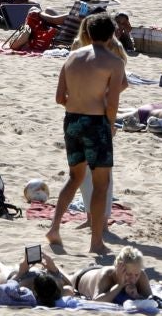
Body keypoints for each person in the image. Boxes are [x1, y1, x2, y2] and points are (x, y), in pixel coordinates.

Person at [47, 13, 126, 255]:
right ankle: (96, 242)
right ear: (112, 34)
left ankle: (54, 228)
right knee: (101, 185)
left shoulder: (71, 57)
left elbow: (60, 97)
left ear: (88, 33)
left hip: (72, 120)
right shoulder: (114, 62)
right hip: (96, 124)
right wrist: (109, 124)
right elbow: (112, 103)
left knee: (74, 178)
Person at [0, 246, 69, 307]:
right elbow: (71, 285)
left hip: (14, 276)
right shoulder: (59, 290)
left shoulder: (25, 290)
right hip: (28, 274)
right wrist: (55, 270)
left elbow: (7, 287)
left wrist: (21, 273)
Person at [72, 246, 152, 303]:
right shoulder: (106, 275)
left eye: (136, 275)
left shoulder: (140, 274)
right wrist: (119, 285)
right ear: (118, 267)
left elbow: (151, 300)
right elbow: (97, 301)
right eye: (128, 274)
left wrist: (137, 296)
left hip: (97, 271)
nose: (133, 279)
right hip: (81, 277)